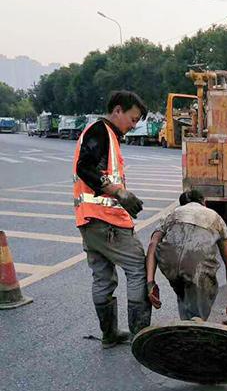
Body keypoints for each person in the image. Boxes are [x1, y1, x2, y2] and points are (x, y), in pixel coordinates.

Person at [73, 90, 151, 349]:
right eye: (132, 118)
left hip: (89, 222)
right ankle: (140, 336)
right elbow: (84, 167)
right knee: (138, 269)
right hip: (107, 222)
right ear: (117, 110)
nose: (134, 124)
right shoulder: (100, 131)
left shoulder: (105, 135)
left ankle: (109, 335)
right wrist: (118, 192)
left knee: (103, 278)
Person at [145, 190, 227, 324]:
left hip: (169, 264)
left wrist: (150, 283)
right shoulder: (214, 217)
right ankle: (196, 324)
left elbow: (152, 244)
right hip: (197, 266)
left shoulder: (172, 214)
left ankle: (187, 323)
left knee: (182, 288)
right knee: (201, 296)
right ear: (203, 203)